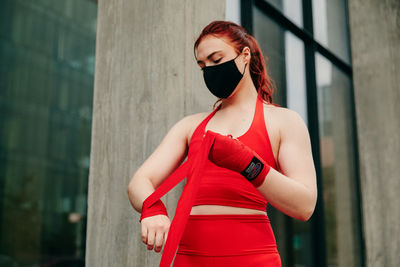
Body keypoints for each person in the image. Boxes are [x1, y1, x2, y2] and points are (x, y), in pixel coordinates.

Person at [127, 20, 317, 267]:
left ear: (245, 55)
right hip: (190, 257)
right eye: (202, 65)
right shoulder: (190, 126)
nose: (210, 71)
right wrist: (152, 209)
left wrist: (248, 164)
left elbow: (305, 205)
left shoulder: (284, 121)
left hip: (253, 256)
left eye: (216, 60)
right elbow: (139, 182)